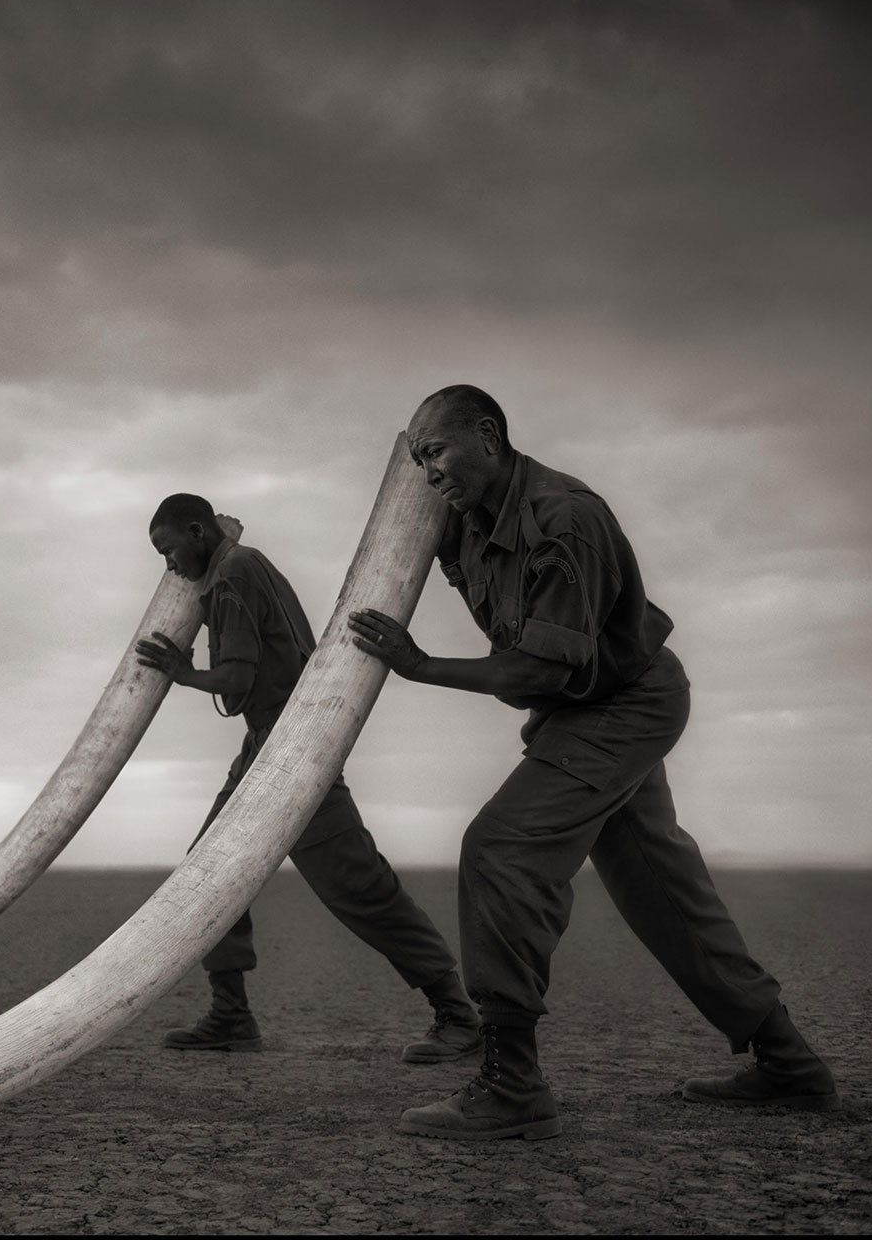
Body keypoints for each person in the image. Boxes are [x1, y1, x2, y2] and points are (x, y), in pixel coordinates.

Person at [348, 383, 839, 1141]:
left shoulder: (566, 519)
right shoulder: (464, 517)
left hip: (624, 705)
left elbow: (532, 674)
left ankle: (512, 1083)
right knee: (660, 888)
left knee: (502, 849)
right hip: (582, 709)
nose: (427, 472)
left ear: (488, 434)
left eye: (436, 451)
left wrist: (417, 665)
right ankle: (789, 1063)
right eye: (417, 459)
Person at [135, 493, 479, 1062]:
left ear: (197, 532)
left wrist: (182, 673)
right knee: (205, 877)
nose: (168, 566)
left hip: (294, 752)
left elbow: (236, 677)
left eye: (168, 550)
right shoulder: (243, 564)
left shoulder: (232, 577)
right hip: (264, 745)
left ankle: (457, 1013)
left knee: (357, 885)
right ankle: (230, 1015)